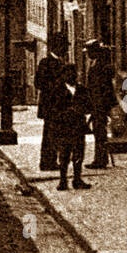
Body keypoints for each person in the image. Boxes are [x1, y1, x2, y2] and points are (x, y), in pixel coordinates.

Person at [44, 63, 92, 191]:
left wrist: (83, 113)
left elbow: (88, 105)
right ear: (63, 75)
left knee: (78, 154)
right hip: (63, 128)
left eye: (73, 73)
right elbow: (52, 110)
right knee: (64, 155)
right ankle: (63, 180)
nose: (72, 76)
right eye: (68, 73)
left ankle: (77, 179)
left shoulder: (82, 90)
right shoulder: (57, 91)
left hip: (78, 127)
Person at [84, 41, 118, 169]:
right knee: (98, 131)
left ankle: (100, 160)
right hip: (97, 104)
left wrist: (96, 106)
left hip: (100, 104)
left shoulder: (101, 66)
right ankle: (99, 158)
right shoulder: (96, 63)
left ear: (94, 52)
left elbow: (101, 89)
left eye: (89, 52)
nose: (87, 54)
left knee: (100, 132)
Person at [35, 52, 64, 171]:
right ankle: (47, 162)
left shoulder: (59, 62)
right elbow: (38, 83)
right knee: (50, 134)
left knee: (54, 134)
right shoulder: (46, 62)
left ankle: (51, 160)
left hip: (56, 105)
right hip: (50, 105)